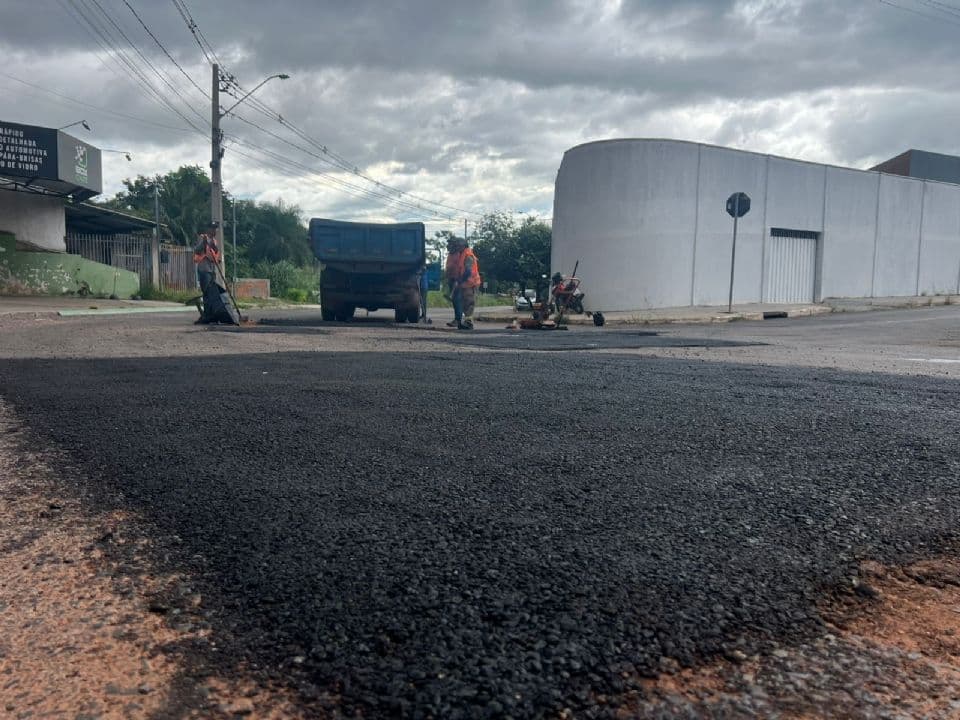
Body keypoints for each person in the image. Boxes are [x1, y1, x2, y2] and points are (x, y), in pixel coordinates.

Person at [450, 237, 481, 330]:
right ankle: (467, 322)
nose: (457, 247)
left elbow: (468, 271)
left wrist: (460, 280)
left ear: (462, 245)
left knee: (469, 303)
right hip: (467, 283)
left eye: (458, 245)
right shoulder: (462, 254)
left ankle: (469, 323)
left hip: (471, 283)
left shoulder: (468, 255)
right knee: (466, 304)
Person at [444, 237, 463, 328]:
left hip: (457, 280)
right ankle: (457, 319)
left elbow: (460, 268)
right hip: (451, 279)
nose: (448, 245)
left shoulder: (458, 254)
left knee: (457, 300)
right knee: (455, 301)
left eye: (450, 243)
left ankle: (458, 320)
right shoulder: (450, 254)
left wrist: (457, 280)